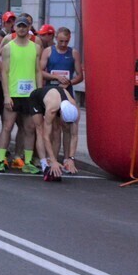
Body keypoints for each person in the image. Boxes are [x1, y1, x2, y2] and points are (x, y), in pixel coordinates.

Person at [0, 15, 40, 173]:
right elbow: (4, 72)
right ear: (14, 27)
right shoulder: (9, 47)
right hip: (14, 93)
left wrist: (39, 94)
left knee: (29, 128)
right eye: (19, 26)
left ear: (29, 27)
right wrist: (7, 95)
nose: (22, 29)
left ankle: (26, 161)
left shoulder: (35, 47)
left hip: (30, 95)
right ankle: (1, 160)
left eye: (25, 26)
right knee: (7, 127)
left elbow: (38, 71)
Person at [41, 27, 84, 174]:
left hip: (67, 93)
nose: (63, 44)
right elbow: (40, 71)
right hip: (51, 93)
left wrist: (70, 82)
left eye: (66, 41)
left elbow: (80, 75)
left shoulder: (73, 53)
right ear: (56, 39)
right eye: (60, 41)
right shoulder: (48, 51)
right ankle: (53, 158)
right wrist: (55, 78)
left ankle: (67, 159)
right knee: (54, 128)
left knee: (67, 126)